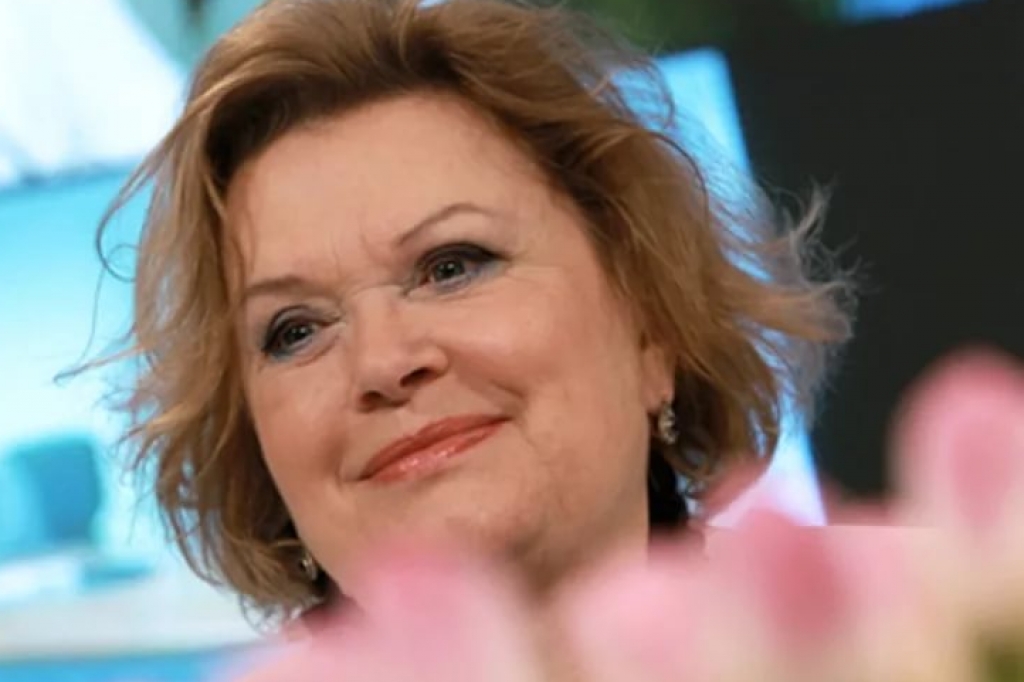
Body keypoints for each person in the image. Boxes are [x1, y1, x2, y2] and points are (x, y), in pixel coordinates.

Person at [99, 0, 851, 630]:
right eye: (295, 331)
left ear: (651, 327)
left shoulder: (906, 632)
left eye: (451, 266)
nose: (384, 363)